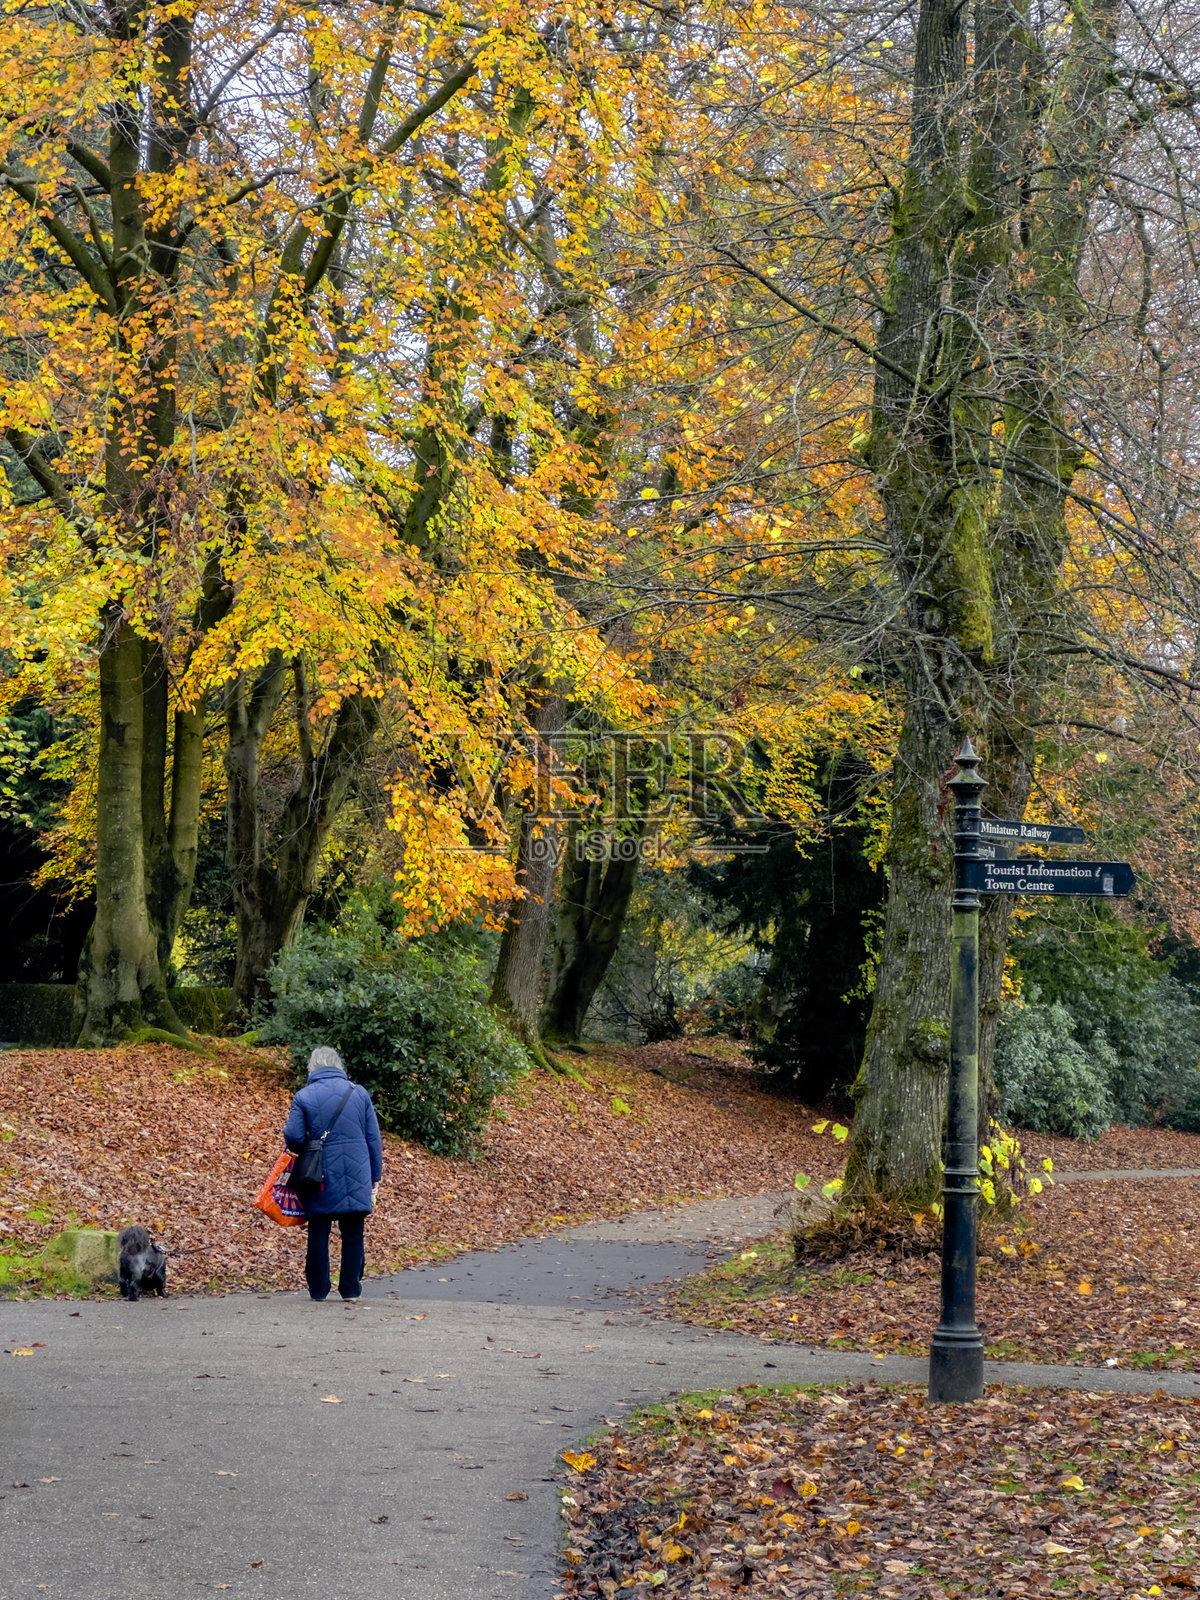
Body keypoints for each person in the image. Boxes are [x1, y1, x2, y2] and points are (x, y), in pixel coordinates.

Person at [283, 1046, 383, 1302]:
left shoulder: (304, 1096)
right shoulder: (358, 1093)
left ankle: (318, 1290)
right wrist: (375, 1177)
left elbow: (293, 1137)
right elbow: (373, 1138)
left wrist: (307, 1142)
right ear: (338, 1066)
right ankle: (350, 1290)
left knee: (319, 1228)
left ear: (312, 1068)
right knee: (353, 1231)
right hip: (357, 1172)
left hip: (319, 1174)